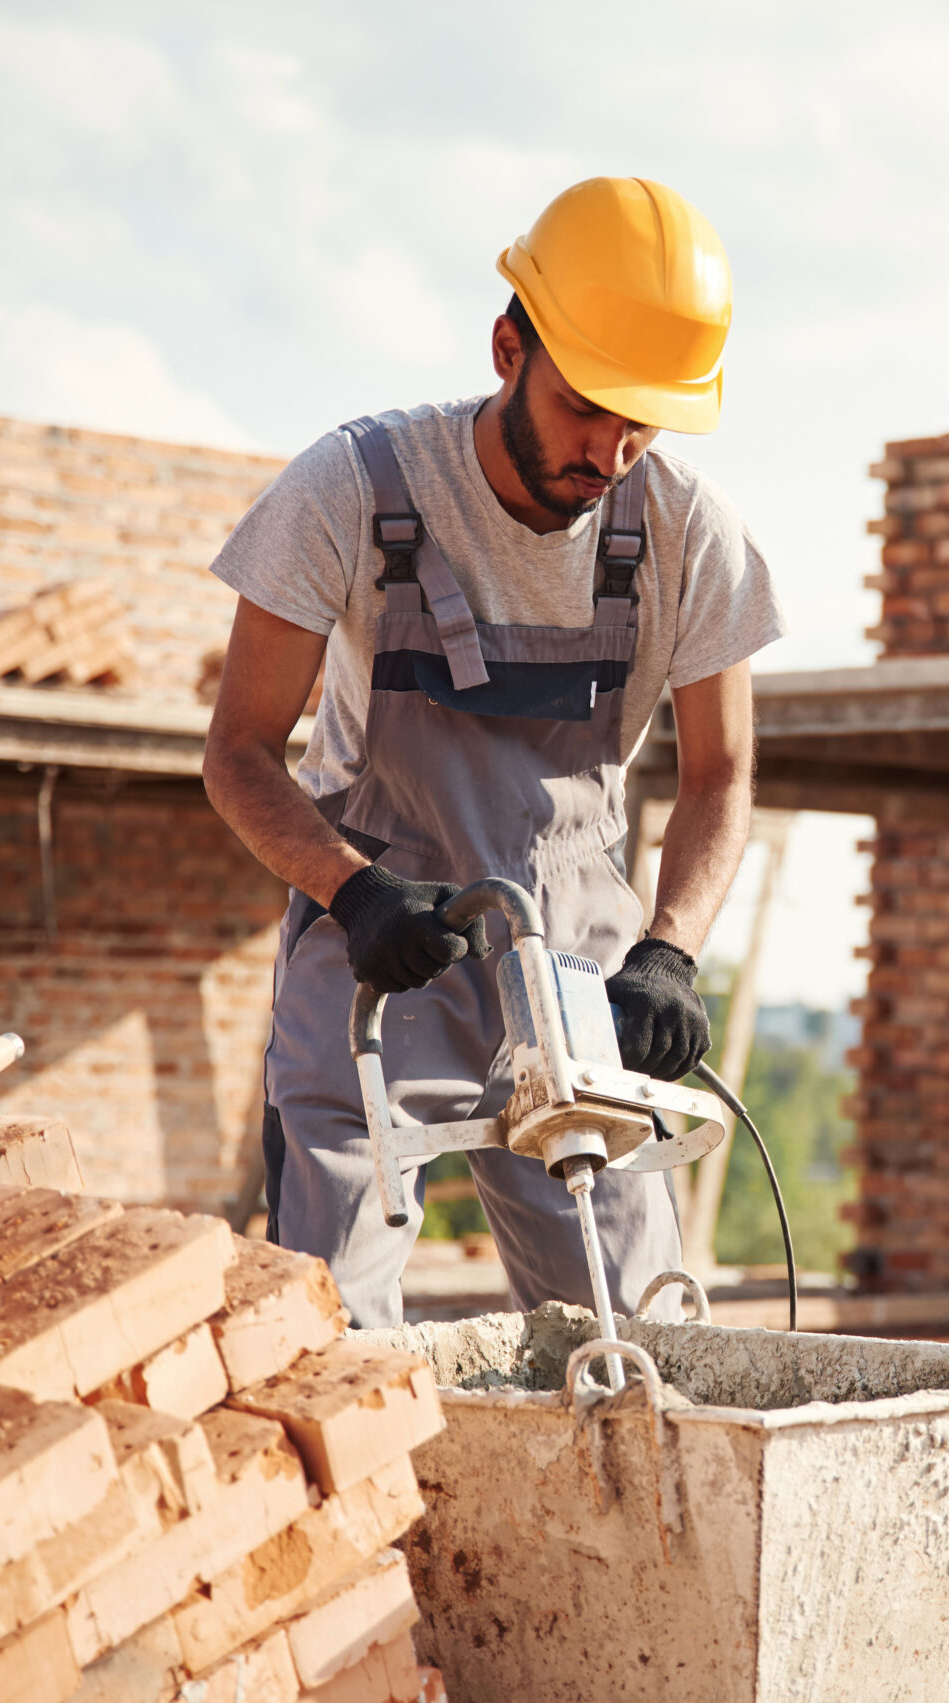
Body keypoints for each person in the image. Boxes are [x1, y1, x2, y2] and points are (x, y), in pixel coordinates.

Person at [203, 178, 781, 1328]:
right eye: (585, 408)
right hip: (385, 935)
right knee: (330, 1319)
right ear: (508, 346)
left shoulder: (685, 530)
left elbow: (720, 778)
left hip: (573, 963)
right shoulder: (355, 491)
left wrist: (670, 951)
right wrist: (351, 892)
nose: (611, 452)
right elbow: (238, 754)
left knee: (633, 1330)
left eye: (642, 422)